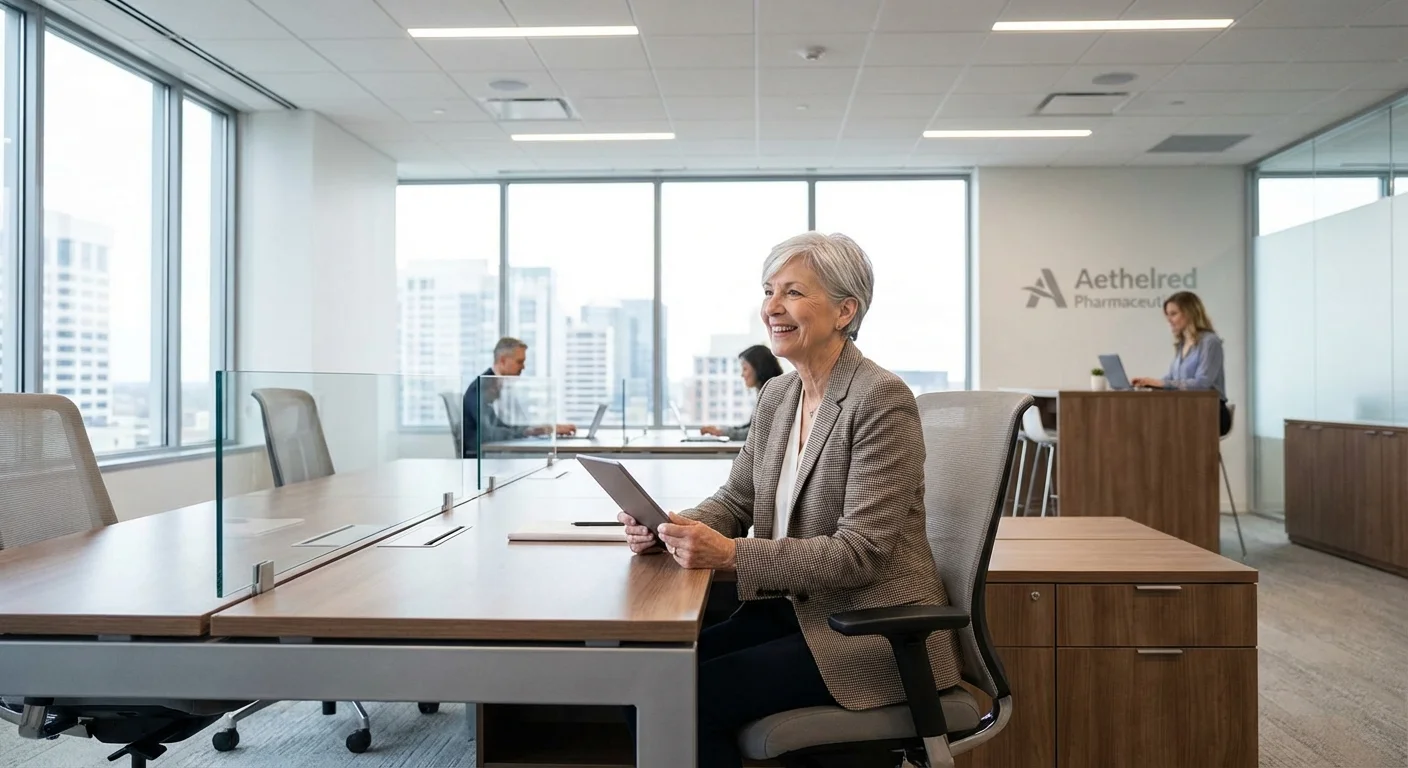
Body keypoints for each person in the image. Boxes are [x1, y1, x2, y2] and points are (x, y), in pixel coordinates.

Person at [617, 232, 963, 768]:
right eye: (768, 290)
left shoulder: (880, 398)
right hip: (794, 613)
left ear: (845, 310)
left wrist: (731, 554)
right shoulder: (779, 394)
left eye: (794, 293)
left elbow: (860, 552)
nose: (772, 308)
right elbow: (737, 497)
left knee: (681, 697)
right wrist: (671, 526)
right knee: (642, 681)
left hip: (870, 631)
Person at [1132, 290, 1232, 437]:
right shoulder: (1182, 344)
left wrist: (1161, 383)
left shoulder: (1210, 342)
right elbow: (1172, 378)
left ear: (1190, 313)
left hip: (1210, 412)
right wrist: (1148, 383)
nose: (1169, 319)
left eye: (1173, 314)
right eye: (1167, 314)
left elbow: (1202, 383)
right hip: (1186, 409)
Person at [461, 337, 575, 458]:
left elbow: (502, 426)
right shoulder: (482, 387)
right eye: (519, 362)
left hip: (492, 454)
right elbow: (490, 433)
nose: (523, 367)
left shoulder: (494, 384)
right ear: (503, 361)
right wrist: (534, 431)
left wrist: (541, 429)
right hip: (481, 459)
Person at [700, 344, 784, 440]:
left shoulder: (773, 394)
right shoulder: (767, 391)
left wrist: (721, 432)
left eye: (745, 369)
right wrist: (720, 430)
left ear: (759, 368)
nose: (742, 374)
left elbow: (756, 434)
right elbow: (752, 427)